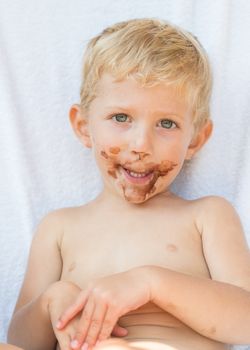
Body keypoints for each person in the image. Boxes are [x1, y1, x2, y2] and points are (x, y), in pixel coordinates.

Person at [7, 18, 250, 350]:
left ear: (195, 140)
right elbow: (20, 340)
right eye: (120, 118)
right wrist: (53, 300)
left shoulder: (207, 216)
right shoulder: (59, 228)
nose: (141, 144)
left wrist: (150, 282)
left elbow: (246, 322)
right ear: (82, 126)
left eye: (167, 123)